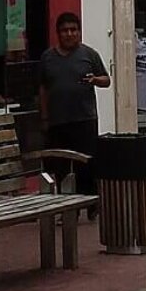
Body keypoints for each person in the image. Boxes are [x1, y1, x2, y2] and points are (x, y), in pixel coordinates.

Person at [38, 12, 110, 198]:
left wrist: (95, 80)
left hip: (84, 119)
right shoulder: (47, 58)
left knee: (86, 164)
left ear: (79, 32)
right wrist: (44, 117)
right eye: (65, 30)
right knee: (60, 165)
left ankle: (90, 202)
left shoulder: (89, 54)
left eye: (73, 30)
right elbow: (42, 89)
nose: (69, 34)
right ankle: (67, 205)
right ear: (58, 33)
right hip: (58, 122)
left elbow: (106, 80)